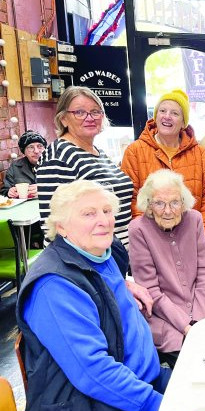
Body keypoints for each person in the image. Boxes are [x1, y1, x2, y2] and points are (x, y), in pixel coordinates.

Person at [15, 180, 168, 410]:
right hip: (102, 400)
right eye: (88, 214)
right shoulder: (53, 286)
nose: (104, 221)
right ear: (62, 227)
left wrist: (127, 285)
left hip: (145, 379)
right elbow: (94, 373)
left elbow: (100, 287)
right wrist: (161, 404)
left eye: (107, 211)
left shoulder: (102, 250)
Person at [36, 86, 153, 314]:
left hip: (113, 263)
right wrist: (100, 278)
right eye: (80, 112)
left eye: (95, 111)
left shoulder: (97, 152)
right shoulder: (58, 155)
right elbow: (53, 226)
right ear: (63, 119)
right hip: (89, 271)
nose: (90, 118)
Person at [129, 169, 205, 368]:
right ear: (148, 204)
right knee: (191, 366)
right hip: (166, 317)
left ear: (183, 202)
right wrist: (186, 325)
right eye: (159, 203)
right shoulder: (138, 229)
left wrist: (199, 322)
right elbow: (151, 292)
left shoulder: (195, 219)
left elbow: (204, 273)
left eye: (174, 202)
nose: (168, 211)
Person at [121, 89, 205, 261]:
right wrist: (149, 242)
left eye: (174, 113)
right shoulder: (135, 152)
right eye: (162, 111)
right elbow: (131, 202)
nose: (166, 116)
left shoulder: (201, 155)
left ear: (183, 122)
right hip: (152, 251)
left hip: (195, 248)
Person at [1, 130, 46, 198]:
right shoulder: (15, 167)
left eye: (40, 146)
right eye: (31, 147)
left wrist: (45, 189)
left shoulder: (54, 164)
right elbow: (4, 191)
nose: (36, 151)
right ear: (24, 152)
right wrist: (9, 192)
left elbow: (65, 188)